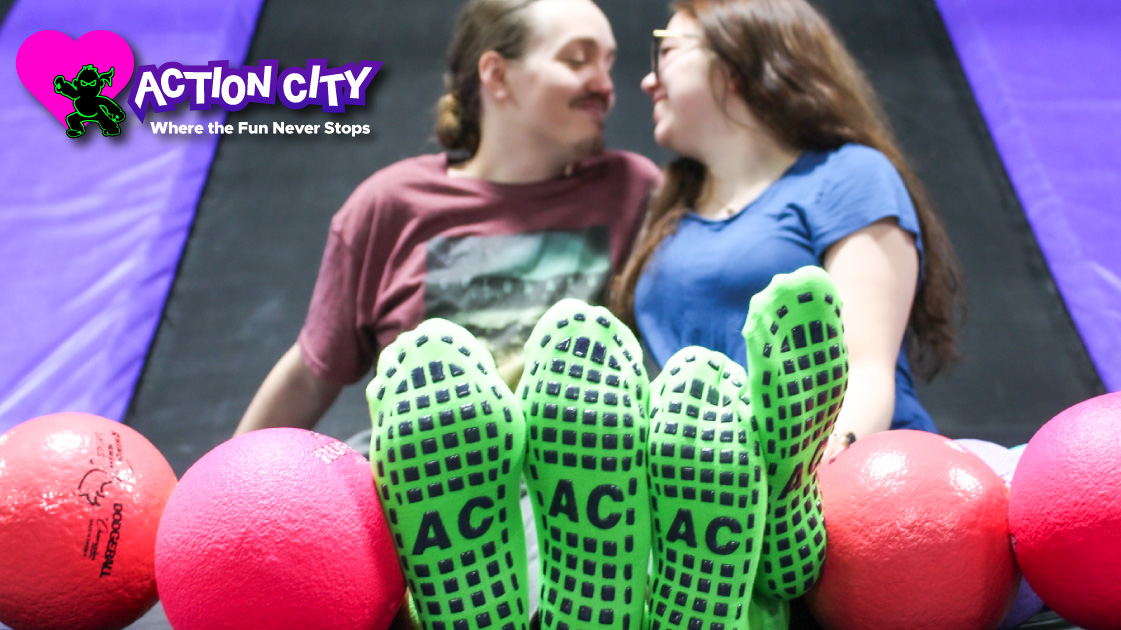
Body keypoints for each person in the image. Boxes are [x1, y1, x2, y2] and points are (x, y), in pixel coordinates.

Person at [235, 0, 660, 438]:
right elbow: (308, 377)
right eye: (576, 59)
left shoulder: (634, 192)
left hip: (575, 486)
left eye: (608, 63)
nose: (605, 85)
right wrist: (218, 492)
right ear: (496, 75)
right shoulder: (391, 205)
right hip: (432, 486)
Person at [609, 0, 964, 459]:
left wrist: (810, 474)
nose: (648, 80)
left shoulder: (849, 176)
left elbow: (864, 369)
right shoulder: (670, 209)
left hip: (849, 482)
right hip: (714, 492)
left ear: (735, 60)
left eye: (669, 52)